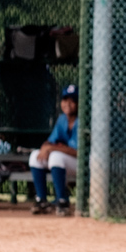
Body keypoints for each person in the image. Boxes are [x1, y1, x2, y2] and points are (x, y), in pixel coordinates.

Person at [29, 84, 80, 216]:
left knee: (56, 156)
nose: (67, 104)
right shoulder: (62, 119)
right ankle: (42, 201)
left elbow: (79, 152)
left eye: (73, 100)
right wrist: (45, 148)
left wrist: (52, 148)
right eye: (65, 100)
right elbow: (50, 141)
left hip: (85, 163)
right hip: (67, 162)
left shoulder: (82, 121)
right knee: (35, 156)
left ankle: (63, 202)